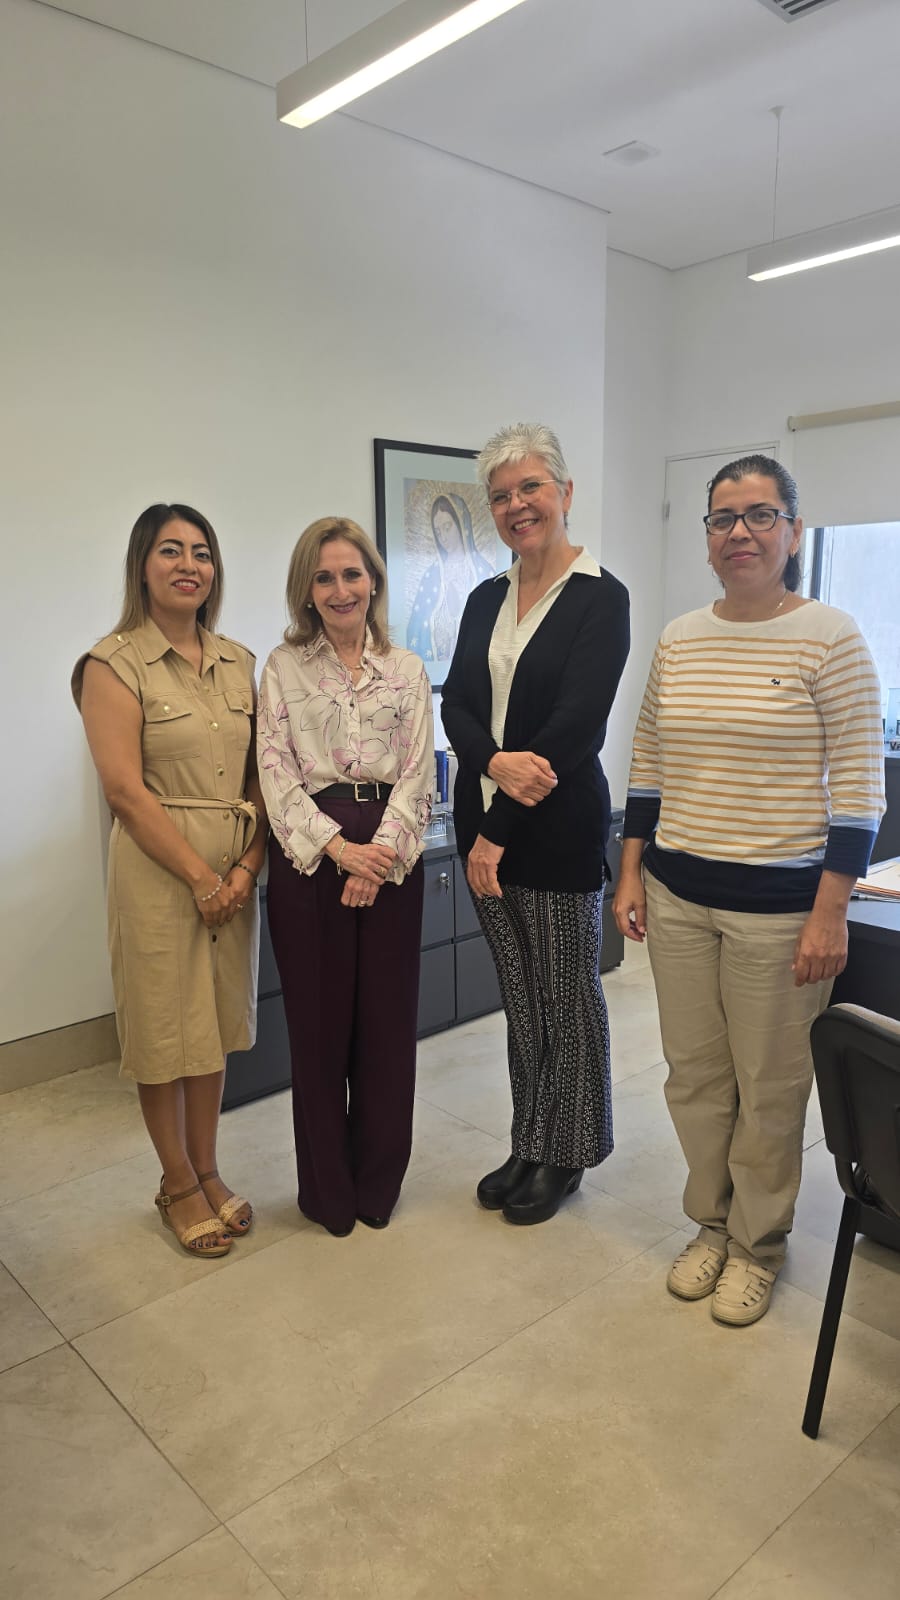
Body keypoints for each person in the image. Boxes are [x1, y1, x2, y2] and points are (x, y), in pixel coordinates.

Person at [613, 455, 885, 1325]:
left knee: (770, 1085)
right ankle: (712, 1223)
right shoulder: (680, 638)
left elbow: (861, 787)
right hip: (680, 896)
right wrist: (630, 870)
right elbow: (648, 761)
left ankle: (758, 1245)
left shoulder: (831, 636)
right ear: (706, 539)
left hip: (781, 910)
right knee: (694, 1079)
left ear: (793, 532)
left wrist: (830, 910)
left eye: (760, 516)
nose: (740, 533)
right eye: (724, 519)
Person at [442, 423, 630, 1224]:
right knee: (520, 1003)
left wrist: (497, 830)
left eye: (530, 488)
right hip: (482, 824)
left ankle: (569, 1152)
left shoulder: (601, 597)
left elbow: (573, 728)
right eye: (502, 495)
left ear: (564, 494)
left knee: (566, 999)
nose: (517, 505)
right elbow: (455, 699)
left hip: (549, 835)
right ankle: (529, 1138)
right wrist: (489, 766)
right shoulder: (487, 596)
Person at [73, 504, 268, 1257]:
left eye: (202, 552)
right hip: (160, 875)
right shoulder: (112, 663)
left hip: (236, 873)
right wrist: (199, 876)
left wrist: (246, 867)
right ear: (142, 566)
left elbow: (261, 776)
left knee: (213, 1028)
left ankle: (209, 1168)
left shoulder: (239, 660)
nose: (190, 564)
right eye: (171, 551)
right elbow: (123, 788)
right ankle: (176, 1182)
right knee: (163, 1030)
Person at [257, 517, 433, 1237]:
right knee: (321, 1031)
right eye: (324, 577)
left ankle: (376, 1187)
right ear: (307, 588)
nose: (340, 589)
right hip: (312, 856)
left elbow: (421, 772)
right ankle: (328, 1193)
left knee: (388, 1028)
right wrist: (339, 851)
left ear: (373, 581)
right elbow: (274, 771)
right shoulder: (283, 667)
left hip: (390, 852)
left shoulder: (408, 669)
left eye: (352, 574)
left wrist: (380, 855)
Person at [407, 492, 494, 663]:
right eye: (438, 532)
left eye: (447, 527)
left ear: (462, 524)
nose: (444, 538)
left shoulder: (484, 572)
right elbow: (416, 628)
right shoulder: (431, 576)